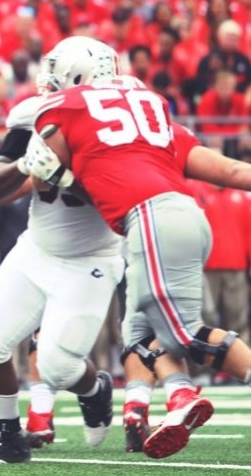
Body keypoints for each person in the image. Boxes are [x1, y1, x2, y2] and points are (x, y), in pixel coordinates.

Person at [33, 38, 251, 460]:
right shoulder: (149, 111)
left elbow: (45, 184)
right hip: (180, 215)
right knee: (140, 332)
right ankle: (180, 395)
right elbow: (227, 170)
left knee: (183, 333)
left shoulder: (70, 107)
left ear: (79, 72)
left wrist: (52, 175)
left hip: (151, 218)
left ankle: (187, 395)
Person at [0, 37, 127, 463]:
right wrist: (24, 164)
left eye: (58, 78)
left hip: (90, 259)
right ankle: (10, 440)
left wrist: (66, 175)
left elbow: (118, 196)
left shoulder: (118, 122)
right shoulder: (34, 113)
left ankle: (95, 388)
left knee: (57, 366)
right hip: (37, 248)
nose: (47, 86)